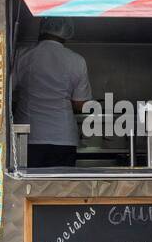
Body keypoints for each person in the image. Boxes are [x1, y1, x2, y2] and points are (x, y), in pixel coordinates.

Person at [12, 18, 92, 168]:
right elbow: (81, 104)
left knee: (28, 187)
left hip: (28, 137)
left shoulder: (21, 55)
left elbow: (6, 93)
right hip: (63, 137)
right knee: (62, 188)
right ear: (67, 32)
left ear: (42, 27)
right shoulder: (77, 60)